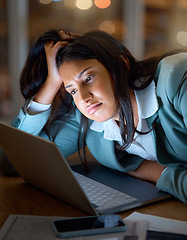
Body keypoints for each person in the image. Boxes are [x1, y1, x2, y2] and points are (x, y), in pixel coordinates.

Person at [0, 29, 186, 203]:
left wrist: (158, 173)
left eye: (88, 78)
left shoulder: (175, 79)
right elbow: (12, 161)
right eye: (71, 90)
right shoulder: (90, 121)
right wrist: (52, 82)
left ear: (120, 65)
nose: (84, 98)